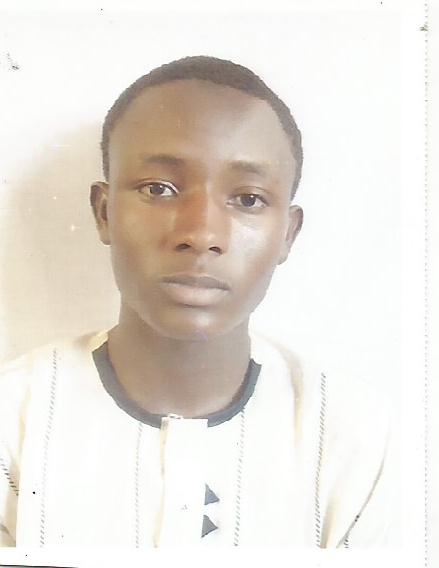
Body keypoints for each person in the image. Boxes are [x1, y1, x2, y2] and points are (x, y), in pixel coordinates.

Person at [0, 56, 396, 548]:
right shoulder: (13, 420)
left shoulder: (354, 437)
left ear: (287, 234)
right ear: (104, 213)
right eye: (159, 189)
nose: (201, 233)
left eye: (248, 199)